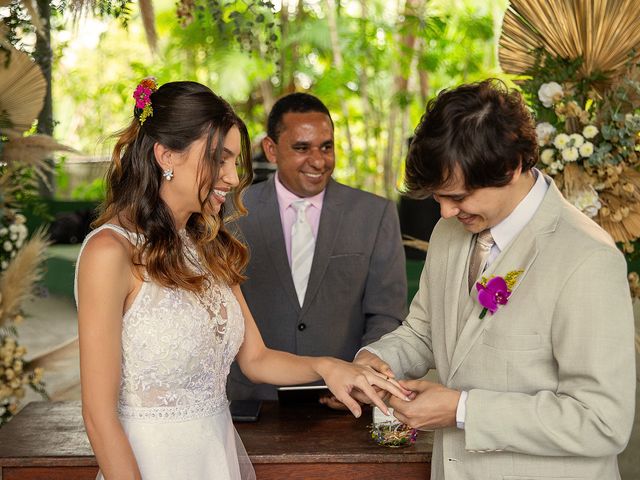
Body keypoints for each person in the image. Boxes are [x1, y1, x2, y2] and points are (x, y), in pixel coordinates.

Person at [75, 79, 409, 480]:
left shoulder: (208, 245)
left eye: (235, 162)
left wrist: (331, 366)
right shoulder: (109, 253)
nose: (232, 179)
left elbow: (256, 360)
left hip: (217, 459)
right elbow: (98, 414)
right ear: (165, 155)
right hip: (152, 464)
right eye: (219, 159)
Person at [355, 79, 636, 479]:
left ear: (511, 166)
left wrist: (462, 409)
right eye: (438, 197)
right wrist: (377, 360)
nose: (447, 213)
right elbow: (424, 332)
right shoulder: (449, 234)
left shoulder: (588, 259)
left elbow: (602, 421)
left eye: (458, 196)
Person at [227, 92, 407, 403]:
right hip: (252, 401)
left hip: (345, 402)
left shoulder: (374, 213)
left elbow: (387, 314)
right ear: (271, 149)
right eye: (301, 148)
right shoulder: (228, 213)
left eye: (326, 147)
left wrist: (366, 376)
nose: (318, 161)